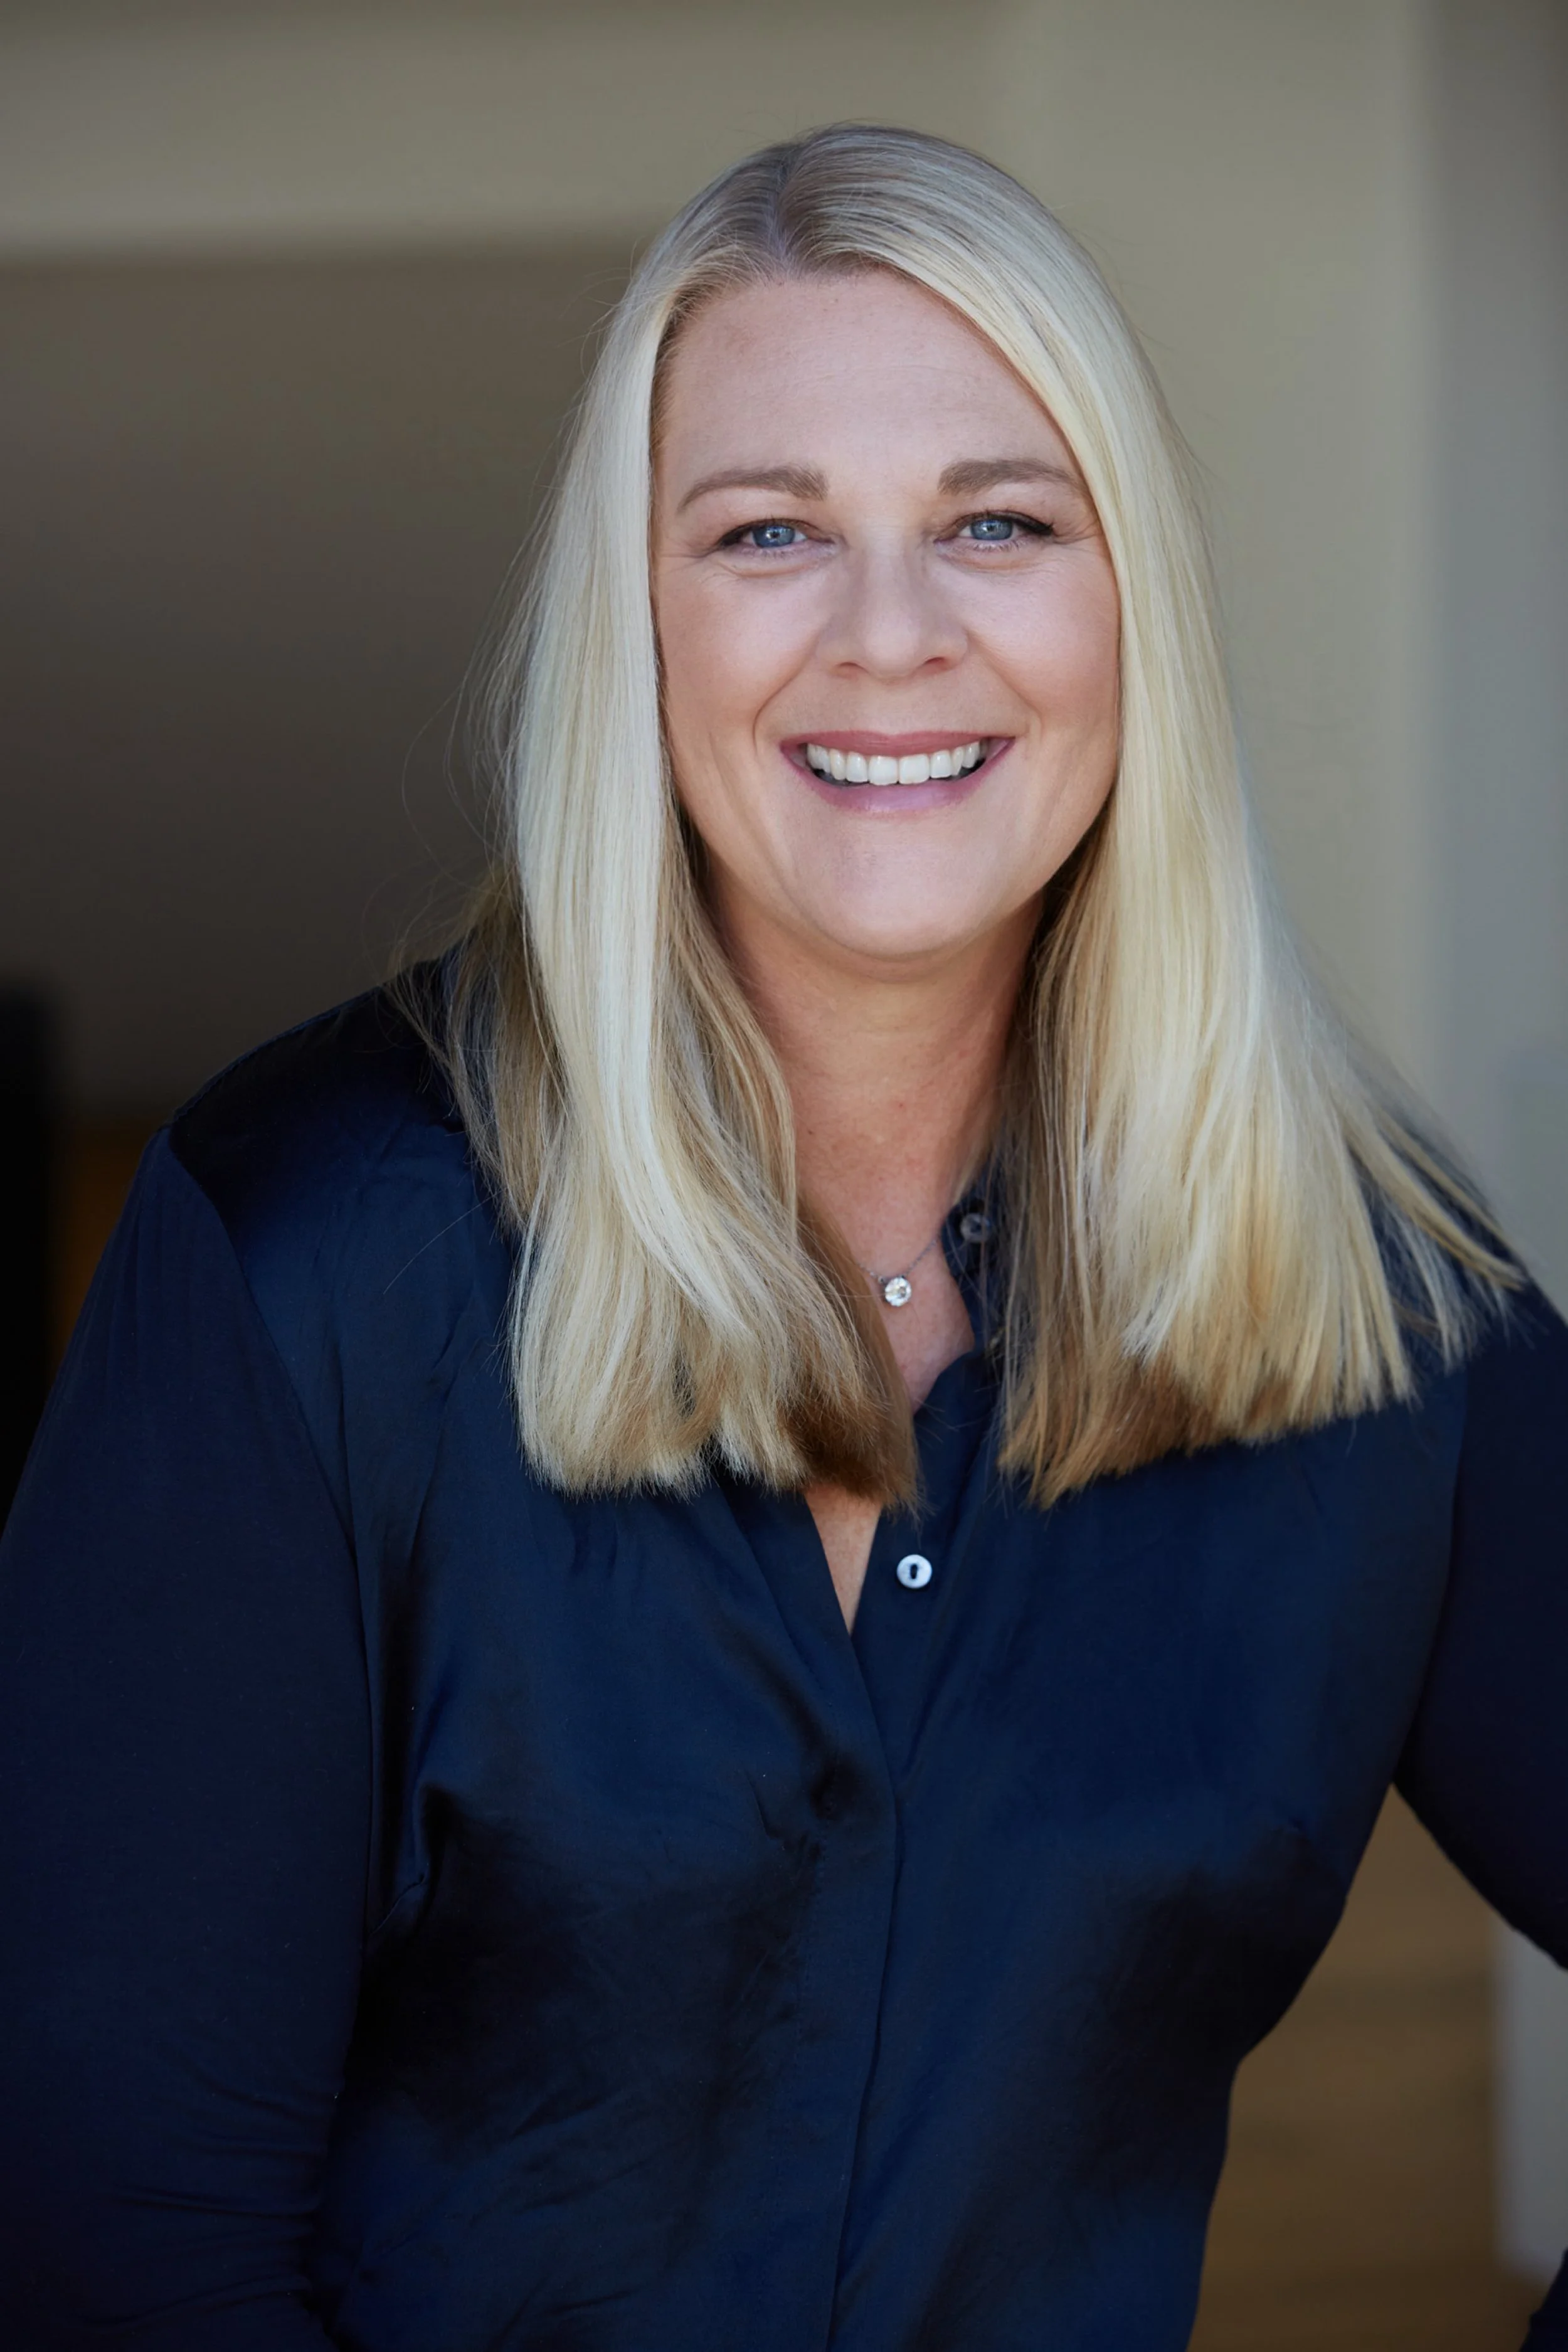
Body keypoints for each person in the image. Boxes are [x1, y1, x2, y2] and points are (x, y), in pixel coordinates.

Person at [1, 123, 1564, 2352]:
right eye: (767, 533)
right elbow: (112, 2246)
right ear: (635, 616)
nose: (892, 635)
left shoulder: (1371, 1303)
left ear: (1134, 602)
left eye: (997, 523)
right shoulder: (309, 1249)